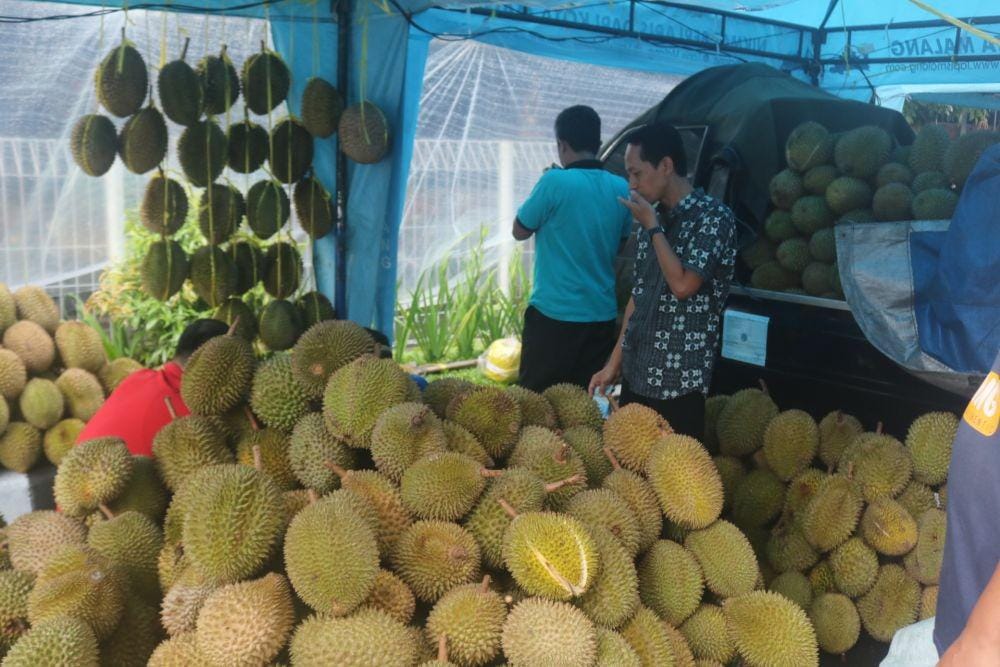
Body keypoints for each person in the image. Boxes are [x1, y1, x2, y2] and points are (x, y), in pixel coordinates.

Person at [589, 122, 737, 439]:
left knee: (677, 481)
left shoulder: (712, 218)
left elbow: (683, 286)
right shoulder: (652, 218)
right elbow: (637, 300)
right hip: (637, 373)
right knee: (631, 480)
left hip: (680, 381)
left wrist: (655, 228)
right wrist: (613, 365)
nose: (632, 185)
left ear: (666, 166)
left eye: (637, 173)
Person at [512, 105, 633, 392]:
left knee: (536, 404)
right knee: (583, 405)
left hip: (554, 316)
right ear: (599, 143)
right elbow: (621, 242)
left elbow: (519, 230)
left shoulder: (553, 181)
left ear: (561, 144)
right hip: (600, 317)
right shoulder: (621, 187)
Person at [76, 318, 229, 456]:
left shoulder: (136, 378)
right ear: (219, 366)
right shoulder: (198, 413)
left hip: (71, 474)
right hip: (123, 484)